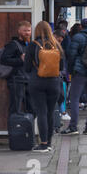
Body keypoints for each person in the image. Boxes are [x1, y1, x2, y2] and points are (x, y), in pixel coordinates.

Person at [25, 21, 64, 152]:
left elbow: (27, 67)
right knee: (50, 112)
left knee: (41, 112)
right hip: (54, 83)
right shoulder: (56, 45)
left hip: (37, 82)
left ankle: (43, 143)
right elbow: (62, 67)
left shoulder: (32, 45)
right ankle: (49, 143)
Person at [61, 18, 87, 135]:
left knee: (74, 99)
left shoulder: (77, 38)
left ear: (81, 27)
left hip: (79, 73)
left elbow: (71, 55)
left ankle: (73, 127)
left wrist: (70, 70)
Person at [0, 21, 33, 118]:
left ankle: (28, 130)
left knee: (32, 108)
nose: (27, 33)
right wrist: (20, 60)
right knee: (15, 109)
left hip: (28, 80)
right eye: (24, 31)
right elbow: (3, 60)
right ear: (19, 31)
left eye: (29, 30)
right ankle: (14, 132)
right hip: (16, 80)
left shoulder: (30, 44)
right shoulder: (13, 44)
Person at [53, 29, 71, 121]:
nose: (59, 42)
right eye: (59, 40)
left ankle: (61, 112)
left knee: (61, 94)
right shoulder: (55, 47)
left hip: (58, 74)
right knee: (60, 94)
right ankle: (62, 112)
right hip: (57, 75)